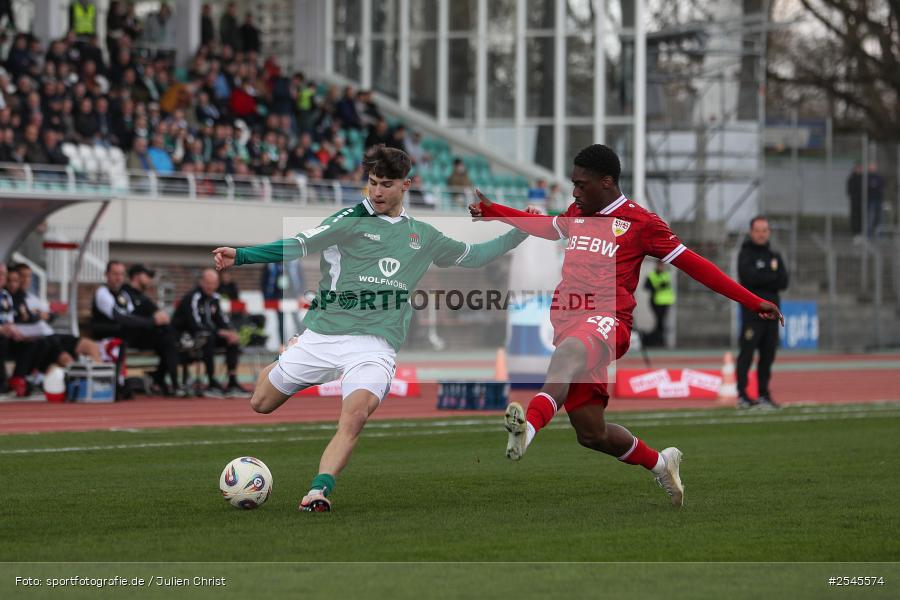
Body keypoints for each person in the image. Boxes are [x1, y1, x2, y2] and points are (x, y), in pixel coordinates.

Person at [211, 144, 528, 512]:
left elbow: (474, 257)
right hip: (324, 336)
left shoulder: (422, 236)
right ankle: (288, 354)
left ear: (407, 184)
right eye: (372, 183)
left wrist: (520, 231)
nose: (377, 192)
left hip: (374, 346)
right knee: (261, 403)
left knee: (355, 416)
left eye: (386, 184)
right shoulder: (348, 220)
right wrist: (243, 256)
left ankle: (317, 491)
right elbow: (298, 245)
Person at [469, 144, 783, 507]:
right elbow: (546, 226)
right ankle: (662, 463)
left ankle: (529, 430)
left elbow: (696, 265)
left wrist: (751, 300)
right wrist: (492, 211)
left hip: (608, 320)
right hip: (571, 320)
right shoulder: (578, 212)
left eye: (581, 184)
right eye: (573, 183)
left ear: (606, 182)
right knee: (591, 434)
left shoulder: (642, 224)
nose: (574, 191)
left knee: (567, 358)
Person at [91, 261, 183, 396]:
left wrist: (153, 322)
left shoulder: (123, 294)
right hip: (108, 335)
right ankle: (118, 385)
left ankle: (171, 383)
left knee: (167, 337)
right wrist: (151, 321)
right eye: (115, 274)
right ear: (106, 275)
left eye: (121, 274)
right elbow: (121, 317)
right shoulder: (103, 292)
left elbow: (133, 317)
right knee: (122, 341)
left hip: (128, 334)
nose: (118, 278)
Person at [736, 216, 788, 410]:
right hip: (752, 314)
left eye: (765, 230)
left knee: (768, 355)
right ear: (751, 232)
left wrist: (763, 278)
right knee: (747, 354)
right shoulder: (746, 254)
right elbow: (749, 279)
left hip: (773, 316)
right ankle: (742, 395)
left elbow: (783, 282)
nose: (761, 234)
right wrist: (770, 277)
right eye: (758, 230)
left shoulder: (774, 255)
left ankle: (764, 394)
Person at [173, 269, 244, 398]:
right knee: (208, 337)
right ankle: (211, 381)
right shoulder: (193, 297)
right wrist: (220, 332)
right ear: (201, 282)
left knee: (232, 340)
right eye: (208, 283)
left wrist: (230, 332)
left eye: (214, 283)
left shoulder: (215, 298)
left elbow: (222, 319)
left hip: (209, 334)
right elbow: (195, 325)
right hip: (187, 338)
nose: (211, 286)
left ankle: (232, 382)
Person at [643, 261, 674, 347]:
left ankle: (659, 340)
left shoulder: (666, 274)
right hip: (656, 302)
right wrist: (658, 287)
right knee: (659, 321)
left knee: (661, 322)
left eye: (662, 265)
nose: (661, 267)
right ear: (657, 265)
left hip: (666, 302)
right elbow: (646, 287)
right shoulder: (652, 275)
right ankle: (658, 341)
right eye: (660, 265)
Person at [866, 162, 884, 239]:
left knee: (879, 217)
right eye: (871, 168)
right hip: (871, 200)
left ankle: (878, 233)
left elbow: (881, 186)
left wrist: (876, 186)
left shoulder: (879, 177)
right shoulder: (867, 177)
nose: (872, 169)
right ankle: (869, 233)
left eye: (873, 167)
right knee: (871, 217)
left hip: (879, 199)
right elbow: (868, 188)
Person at [846, 163, 862, 239]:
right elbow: (849, 190)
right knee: (854, 217)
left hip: (862, 201)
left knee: (861, 217)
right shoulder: (851, 178)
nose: (859, 170)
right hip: (854, 201)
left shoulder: (863, 178)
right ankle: (855, 233)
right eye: (857, 168)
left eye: (860, 168)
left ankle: (860, 232)